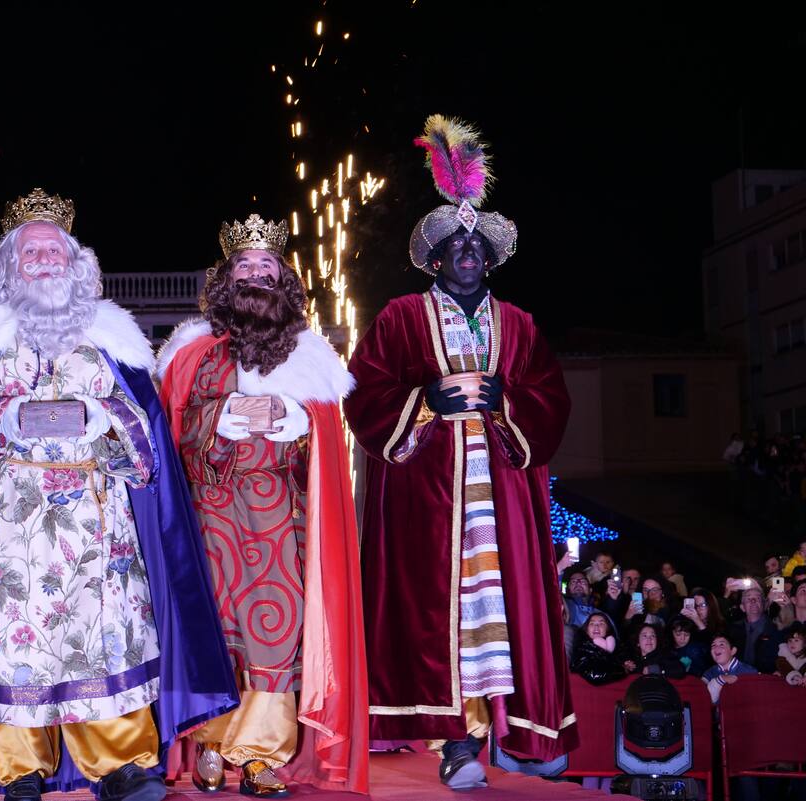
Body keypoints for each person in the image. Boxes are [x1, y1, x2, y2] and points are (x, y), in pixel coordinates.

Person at [0, 189, 236, 801]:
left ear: (75, 263)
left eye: (53, 251)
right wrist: (1, 419)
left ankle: (120, 766)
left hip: (94, 527)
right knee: (8, 647)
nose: (42, 262)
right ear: (9, 265)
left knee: (102, 644)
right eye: (30, 252)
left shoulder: (110, 339)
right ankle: (21, 771)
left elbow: (146, 436)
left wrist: (102, 418)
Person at [344, 114, 576, 788]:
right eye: (457, 244)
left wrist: (506, 401)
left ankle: (515, 733)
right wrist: (425, 401)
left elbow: (551, 399)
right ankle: (454, 742)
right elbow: (364, 393)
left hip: (502, 497)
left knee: (505, 611)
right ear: (437, 258)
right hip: (428, 498)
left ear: (491, 259)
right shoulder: (400, 318)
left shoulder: (520, 325)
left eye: (478, 244)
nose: (469, 251)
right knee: (435, 617)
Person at [157, 215, 367, 795]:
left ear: (283, 279)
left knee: (276, 627)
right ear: (227, 279)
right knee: (214, 625)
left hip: (279, 514)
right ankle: (211, 740)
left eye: (266, 264)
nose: (255, 273)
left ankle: (258, 754)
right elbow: (171, 429)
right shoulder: (193, 352)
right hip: (211, 510)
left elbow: (325, 446)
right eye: (244, 265)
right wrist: (221, 417)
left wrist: (292, 419)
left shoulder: (309, 354)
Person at [570, 613, 625, 686]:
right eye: (592, 623)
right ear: (586, 629)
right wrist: (622, 670)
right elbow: (593, 675)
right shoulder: (581, 648)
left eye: (601, 623)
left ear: (608, 629)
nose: (596, 626)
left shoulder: (617, 648)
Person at [702, 632, 757, 704]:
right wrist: (720, 680)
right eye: (713, 645)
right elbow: (704, 699)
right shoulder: (709, 674)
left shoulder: (749, 671)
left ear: (733, 651)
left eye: (721, 644)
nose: (716, 648)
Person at [774, 622, 806, 686]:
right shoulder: (783, 655)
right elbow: (783, 666)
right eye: (790, 640)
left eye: (796, 640)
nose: (792, 643)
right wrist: (794, 676)